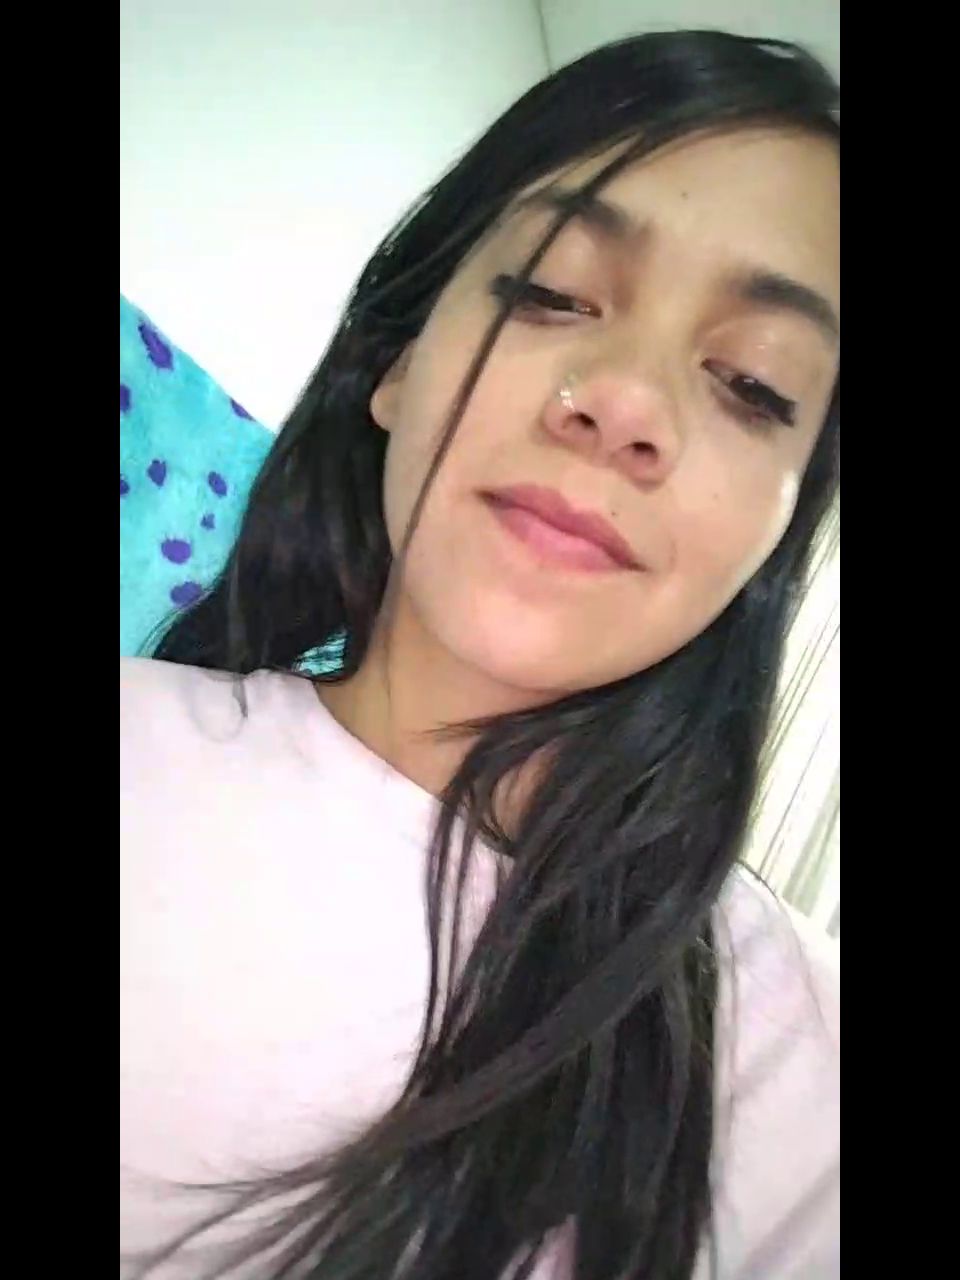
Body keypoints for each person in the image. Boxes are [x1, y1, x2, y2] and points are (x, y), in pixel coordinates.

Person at [120, 29, 840, 1280]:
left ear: (778, 531)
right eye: (552, 291)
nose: (624, 402)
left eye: (751, 383)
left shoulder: (802, 1064)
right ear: (398, 365)